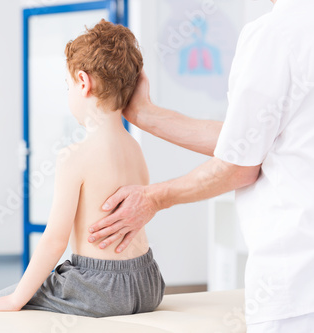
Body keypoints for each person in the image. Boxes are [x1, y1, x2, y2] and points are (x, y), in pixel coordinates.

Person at [87, 0, 314, 331]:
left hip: (297, 283)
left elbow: (239, 165)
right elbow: (251, 140)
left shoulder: (276, 34)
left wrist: (153, 199)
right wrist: (144, 114)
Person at [0, 19, 165, 317]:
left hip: (100, 288)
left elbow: (54, 240)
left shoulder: (75, 156)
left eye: (68, 84)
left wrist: (15, 300)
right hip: (148, 282)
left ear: (83, 82)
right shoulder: (135, 148)